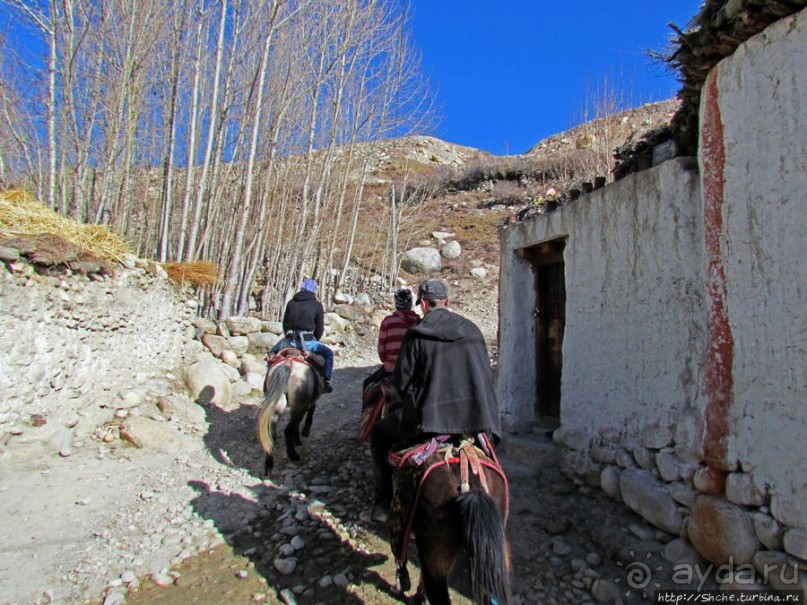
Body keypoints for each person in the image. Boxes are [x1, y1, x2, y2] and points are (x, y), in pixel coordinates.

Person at [369, 279, 501, 522]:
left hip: (430, 421)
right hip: (477, 418)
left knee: (378, 435)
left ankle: (383, 501)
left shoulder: (417, 333)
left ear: (422, 304)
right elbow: (485, 375)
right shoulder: (472, 329)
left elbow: (403, 383)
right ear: (448, 302)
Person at [269, 278, 334, 393]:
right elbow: (319, 329)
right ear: (314, 290)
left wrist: (289, 337)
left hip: (288, 341)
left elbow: (285, 324)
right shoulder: (317, 305)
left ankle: (267, 384)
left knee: (272, 353)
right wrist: (315, 339)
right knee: (329, 354)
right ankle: (325, 381)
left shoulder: (291, 302)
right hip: (307, 342)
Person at [363, 288, 421, 391]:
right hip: (414, 370)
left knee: (367, 383)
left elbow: (381, 349)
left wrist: (386, 361)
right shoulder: (419, 322)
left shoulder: (388, 322)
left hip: (391, 369)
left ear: (396, 304)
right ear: (410, 303)